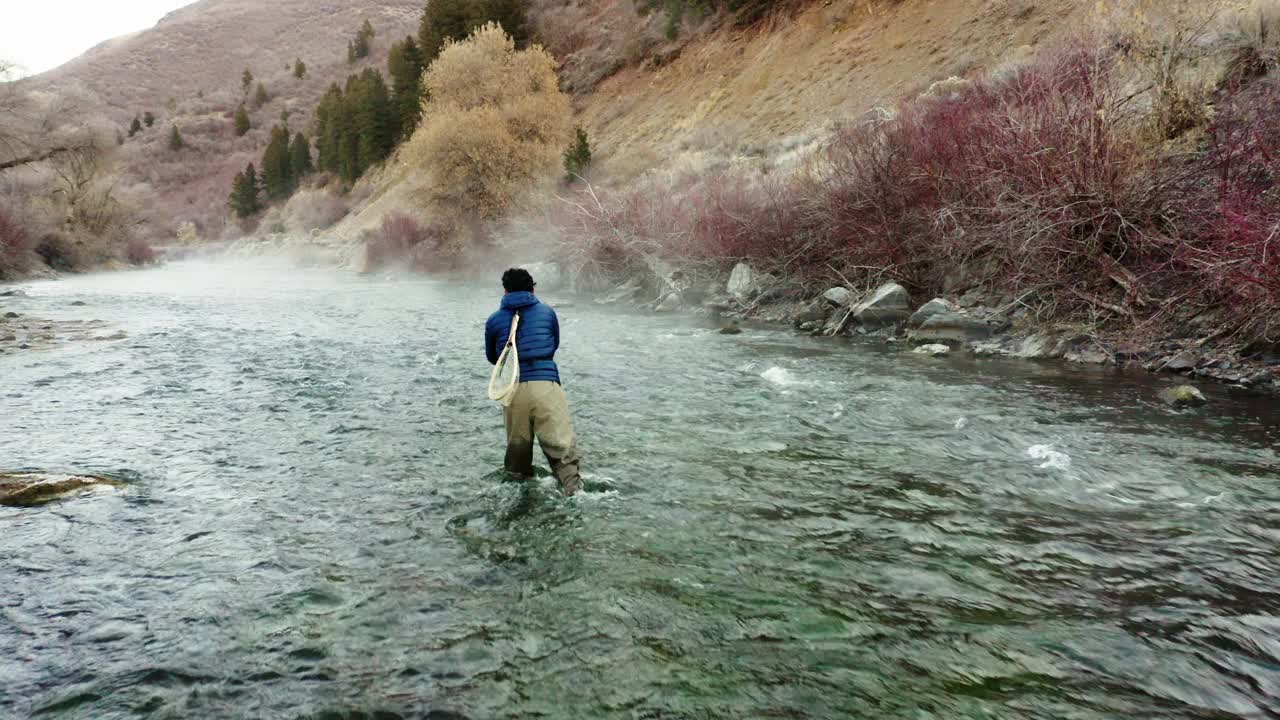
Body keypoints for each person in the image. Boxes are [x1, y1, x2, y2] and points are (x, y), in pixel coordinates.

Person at [485, 268, 582, 495]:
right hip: (546, 384)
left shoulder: (494, 320)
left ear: (505, 290)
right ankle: (573, 493)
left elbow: (494, 358)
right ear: (533, 288)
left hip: (513, 389)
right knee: (562, 451)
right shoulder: (547, 313)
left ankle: (521, 503)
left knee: (517, 458)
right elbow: (554, 344)